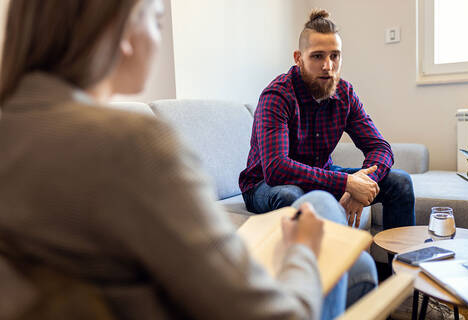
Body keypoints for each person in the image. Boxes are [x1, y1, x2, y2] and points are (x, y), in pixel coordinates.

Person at [0, 1, 370, 319]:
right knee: (321, 207)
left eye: (334, 55)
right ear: (122, 30)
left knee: (361, 265)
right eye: (157, 21)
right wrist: (303, 249)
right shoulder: (134, 145)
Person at [239, 9, 415, 231]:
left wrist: (361, 185)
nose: (328, 66)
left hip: (320, 175)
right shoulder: (277, 96)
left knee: (400, 183)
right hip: (264, 184)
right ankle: (324, 265)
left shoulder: (345, 93)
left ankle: (398, 265)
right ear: (298, 58)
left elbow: (380, 147)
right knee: (292, 195)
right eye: (317, 56)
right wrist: (347, 183)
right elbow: (277, 168)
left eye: (335, 55)